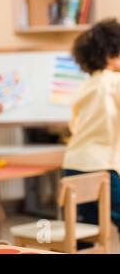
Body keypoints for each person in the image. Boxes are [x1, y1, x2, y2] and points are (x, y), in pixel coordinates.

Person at [63, 18, 120, 236]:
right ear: (110, 54)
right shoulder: (115, 82)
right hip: (102, 166)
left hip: (74, 163)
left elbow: (75, 125)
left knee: (85, 230)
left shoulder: (84, 87)